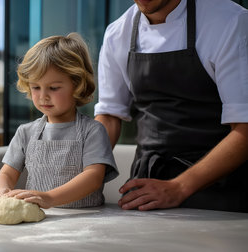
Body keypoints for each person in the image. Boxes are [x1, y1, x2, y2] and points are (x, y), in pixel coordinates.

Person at [94, 0, 248, 212]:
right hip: (145, 188)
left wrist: (179, 187)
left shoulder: (229, 21)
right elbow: (109, 117)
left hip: (220, 191)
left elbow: (245, 128)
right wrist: (85, 174)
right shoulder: (118, 32)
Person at [0, 33, 118, 209]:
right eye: (36, 87)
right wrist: (1, 190)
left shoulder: (93, 131)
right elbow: (7, 173)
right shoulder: (25, 132)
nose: (43, 96)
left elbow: (93, 177)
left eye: (53, 88)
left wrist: (49, 198)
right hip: (39, 221)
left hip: (86, 220)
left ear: (78, 85)